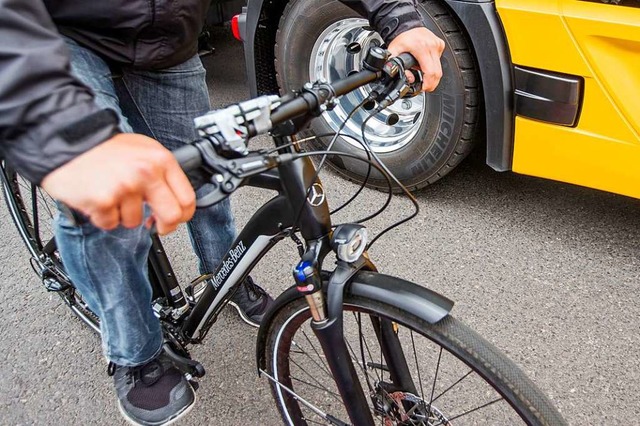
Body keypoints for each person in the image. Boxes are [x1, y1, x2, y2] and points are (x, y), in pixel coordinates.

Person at [0, 0, 445, 424]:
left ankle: (224, 273)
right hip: (61, 39)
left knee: (210, 177)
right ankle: (136, 354)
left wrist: (400, 19)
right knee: (113, 212)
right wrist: (66, 135)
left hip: (167, 41)